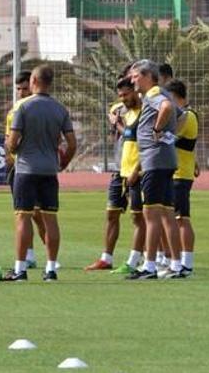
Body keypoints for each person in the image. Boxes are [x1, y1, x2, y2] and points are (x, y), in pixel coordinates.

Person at [4, 65, 76, 282]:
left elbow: (13, 141)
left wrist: (13, 148)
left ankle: (20, 268)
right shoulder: (59, 109)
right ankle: (51, 268)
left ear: (33, 80)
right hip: (48, 170)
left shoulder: (23, 108)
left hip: (26, 169)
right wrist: (63, 162)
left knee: (23, 217)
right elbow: (72, 143)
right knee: (50, 218)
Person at [127, 60, 186, 279]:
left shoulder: (153, 94)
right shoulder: (161, 92)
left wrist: (158, 130)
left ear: (146, 76)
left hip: (154, 161)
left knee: (150, 214)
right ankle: (177, 265)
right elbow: (182, 116)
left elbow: (168, 108)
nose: (132, 80)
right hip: (165, 159)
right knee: (168, 214)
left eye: (135, 76)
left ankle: (149, 266)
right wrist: (170, 137)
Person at [85, 77, 146, 272]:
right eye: (120, 96)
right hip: (119, 169)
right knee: (111, 213)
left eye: (126, 94)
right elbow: (120, 125)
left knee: (139, 218)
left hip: (138, 171)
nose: (123, 99)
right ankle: (106, 258)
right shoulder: (120, 110)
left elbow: (134, 135)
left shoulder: (145, 112)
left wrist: (117, 124)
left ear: (136, 91)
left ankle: (136, 259)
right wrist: (116, 120)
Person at [5, 71, 43, 268]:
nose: (21, 92)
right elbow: (8, 139)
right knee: (23, 214)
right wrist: (9, 156)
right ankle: (29, 254)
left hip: (35, 168)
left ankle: (50, 254)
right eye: (18, 89)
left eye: (24, 88)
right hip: (18, 169)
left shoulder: (39, 109)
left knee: (40, 214)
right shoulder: (13, 111)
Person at [168, 79, 197, 274]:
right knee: (176, 218)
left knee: (181, 218)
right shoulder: (183, 115)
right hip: (177, 172)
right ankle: (176, 260)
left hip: (180, 174)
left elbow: (170, 136)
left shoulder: (187, 116)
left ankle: (186, 263)